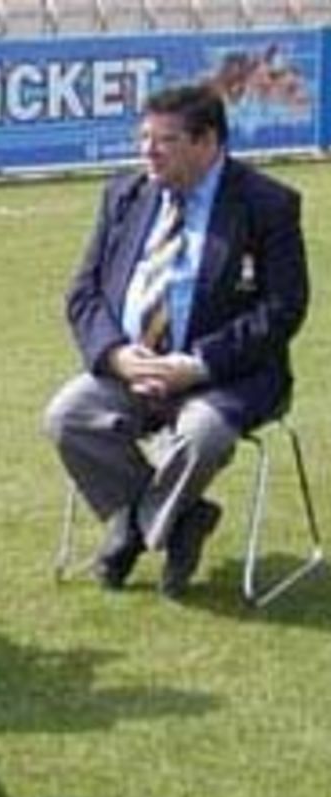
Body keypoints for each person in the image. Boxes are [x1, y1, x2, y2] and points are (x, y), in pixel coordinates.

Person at [43, 83, 309, 599]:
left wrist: (199, 365)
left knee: (205, 435)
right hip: (131, 368)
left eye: (164, 140)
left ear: (207, 142)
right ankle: (182, 519)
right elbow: (83, 293)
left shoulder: (267, 204)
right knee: (66, 416)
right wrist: (116, 356)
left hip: (224, 377)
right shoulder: (124, 194)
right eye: (143, 137)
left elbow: (283, 309)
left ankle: (136, 529)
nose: (147, 150)